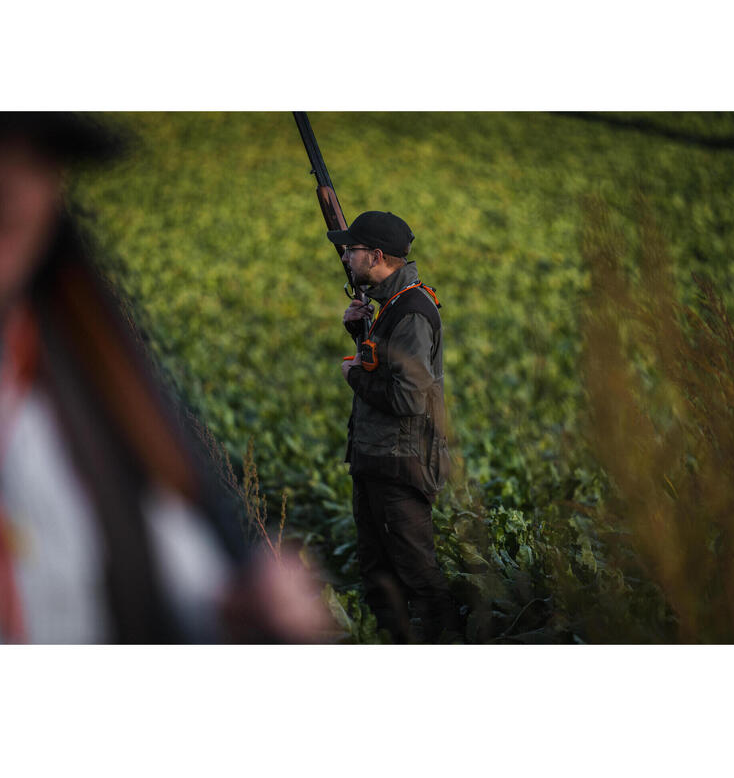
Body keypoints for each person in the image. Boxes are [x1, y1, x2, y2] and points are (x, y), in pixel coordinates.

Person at [0, 112, 328, 643]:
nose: (10, 184)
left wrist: (235, 612)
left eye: (37, 153)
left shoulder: (82, 376)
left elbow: (160, 585)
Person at [334, 210, 457, 643]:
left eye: (352, 249)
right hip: (377, 457)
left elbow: (407, 398)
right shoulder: (390, 305)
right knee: (378, 574)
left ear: (377, 255)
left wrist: (355, 377)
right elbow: (388, 367)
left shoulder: (411, 312)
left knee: (417, 576)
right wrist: (358, 332)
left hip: (400, 464)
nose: (345, 256)